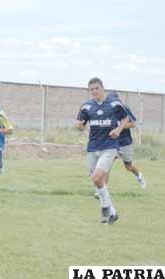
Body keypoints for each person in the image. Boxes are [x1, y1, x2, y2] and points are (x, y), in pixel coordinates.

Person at [75, 77, 129, 224]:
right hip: (93, 147)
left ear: (103, 88)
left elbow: (126, 119)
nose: (94, 91)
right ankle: (112, 212)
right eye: (91, 89)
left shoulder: (114, 104)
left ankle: (105, 206)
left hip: (110, 146)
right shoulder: (86, 106)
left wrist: (118, 129)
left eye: (96, 88)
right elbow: (81, 124)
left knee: (97, 177)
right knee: (96, 180)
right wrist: (79, 125)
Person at [108, 91, 146, 189]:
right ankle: (101, 191)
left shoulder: (124, 109)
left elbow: (133, 124)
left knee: (128, 166)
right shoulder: (107, 110)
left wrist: (120, 126)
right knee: (106, 166)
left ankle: (139, 176)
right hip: (112, 143)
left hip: (125, 143)